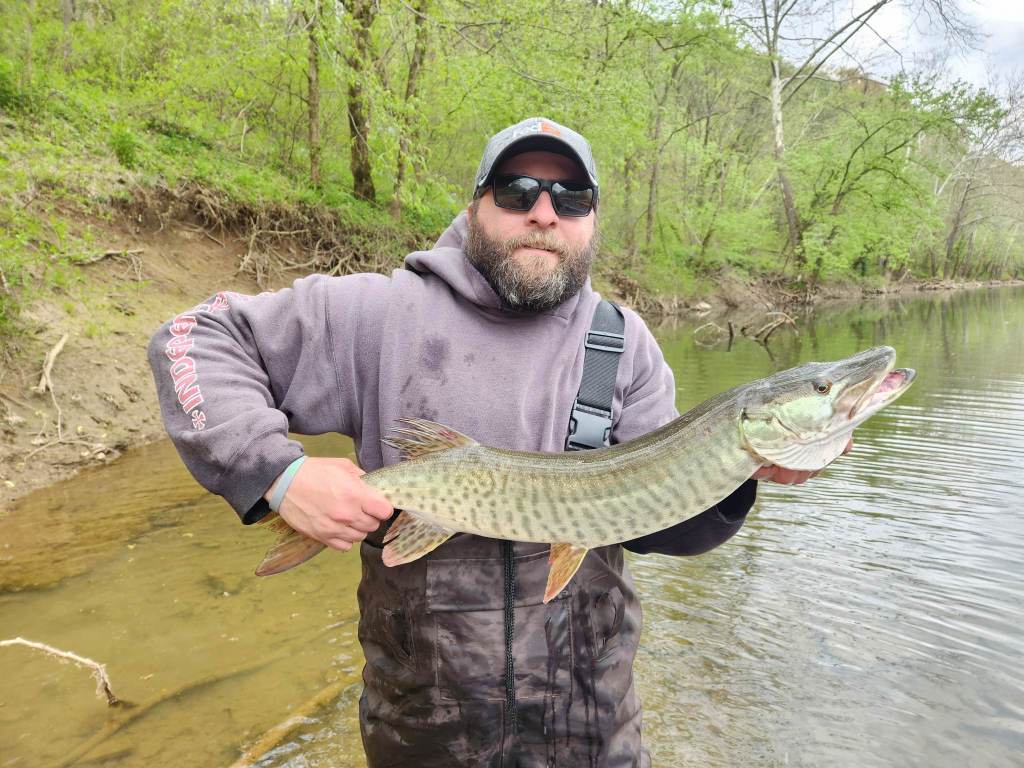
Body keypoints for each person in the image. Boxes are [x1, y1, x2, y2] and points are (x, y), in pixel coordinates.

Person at [148, 117, 831, 767]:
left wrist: (738, 475)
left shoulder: (622, 344)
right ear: (476, 204)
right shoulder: (375, 314)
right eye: (517, 190)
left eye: (572, 196)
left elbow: (664, 528)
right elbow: (193, 337)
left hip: (593, 729)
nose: (545, 213)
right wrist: (278, 475)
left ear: (593, 220)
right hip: (423, 730)